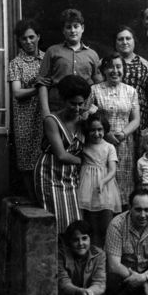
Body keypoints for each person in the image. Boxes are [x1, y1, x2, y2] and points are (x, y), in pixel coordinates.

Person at [34, 74, 91, 235]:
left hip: (72, 176)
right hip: (50, 174)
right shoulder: (52, 120)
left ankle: (72, 259)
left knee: (76, 221)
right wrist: (88, 163)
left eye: (81, 104)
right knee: (59, 221)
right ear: (63, 100)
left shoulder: (83, 121)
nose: (77, 108)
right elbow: (61, 155)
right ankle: (57, 258)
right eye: (73, 104)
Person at [87, 53, 140, 209]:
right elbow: (88, 114)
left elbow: (136, 119)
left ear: (124, 69)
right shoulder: (94, 90)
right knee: (103, 184)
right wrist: (107, 133)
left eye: (118, 66)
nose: (115, 71)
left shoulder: (131, 91)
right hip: (101, 143)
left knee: (124, 186)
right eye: (110, 67)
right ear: (104, 70)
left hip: (124, 144)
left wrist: (123, 134)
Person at [37, 8, 102, 117]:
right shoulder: (52, 51)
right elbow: (42, 84)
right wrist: (46, 113)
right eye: (68, 27)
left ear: (83, 28)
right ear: (63, 30)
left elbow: (98, 86)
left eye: (76, 26)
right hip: (57, 108)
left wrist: (91, 110)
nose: (72, 30)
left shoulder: (92, 54)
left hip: (83, 111)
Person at [8, 19, 47, 199]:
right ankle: (32, 201)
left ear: (38, 36)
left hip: (45, 114)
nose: (29, 41)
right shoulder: (16, 63)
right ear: (20, 41)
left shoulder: (47, 58)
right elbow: (17, 92)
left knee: (45, 158)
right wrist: (39, 88)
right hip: (25, 118)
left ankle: (44, 200)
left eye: (32, 37)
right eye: (24, 39)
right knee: (26, 160)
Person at [78, 112, 121, 248]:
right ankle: (93, 253)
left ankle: (107, 255)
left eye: (100, 130)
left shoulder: (109, 147)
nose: (96, 134)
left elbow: (112, 170)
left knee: (106, 225)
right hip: (87, 188)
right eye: (92, 130)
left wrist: (103, 181)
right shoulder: (83, 146)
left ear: (105, 130)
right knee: (91, 225)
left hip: (106, 188)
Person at [114, 25, 148, 155]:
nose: (124, 42)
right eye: (120, 39)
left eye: (128, 38)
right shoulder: (108, 64)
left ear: (134, 41)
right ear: (115, 42)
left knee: (139, 158)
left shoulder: (144, 64)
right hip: (116, 119)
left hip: (141, 120)